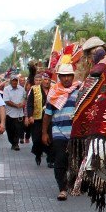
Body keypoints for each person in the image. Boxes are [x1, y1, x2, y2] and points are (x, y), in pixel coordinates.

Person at [42, 64, 81, 200]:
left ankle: (73, 183)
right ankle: (62, 189)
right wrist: (44, 133)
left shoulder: (79, 91)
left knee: (76, 160)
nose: (66, 79)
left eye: (68, 75)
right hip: (58, 131)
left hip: (76, 133)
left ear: (72, 76)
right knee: (60, 160)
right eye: (63, 76)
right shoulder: (53, 93)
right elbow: (47, 115)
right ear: (59, 77)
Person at [26, 72, 53, 166]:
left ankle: (50, 160)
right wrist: (30, 116)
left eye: (49, 80)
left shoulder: (54, 89)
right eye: (45, 79)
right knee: (37, 139)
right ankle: (38, 154)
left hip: (50, 118)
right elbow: (29, 104)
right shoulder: (35, 89)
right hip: (37, 119)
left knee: (50, 138)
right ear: (41, 80)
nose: (47, 82)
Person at [2, 75, 27, 151]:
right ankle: (12, 142)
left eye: (16, 80)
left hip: (19, 114)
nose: (14, 82)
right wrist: (16, 105)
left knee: (18, 129)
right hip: (9, 114)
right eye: (13, 80)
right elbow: (6, 101)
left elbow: (25, 98)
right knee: (10, 130)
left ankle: (16, 144)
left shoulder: (22, 89)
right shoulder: (6, 89)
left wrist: (23, 103)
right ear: (10, 81)